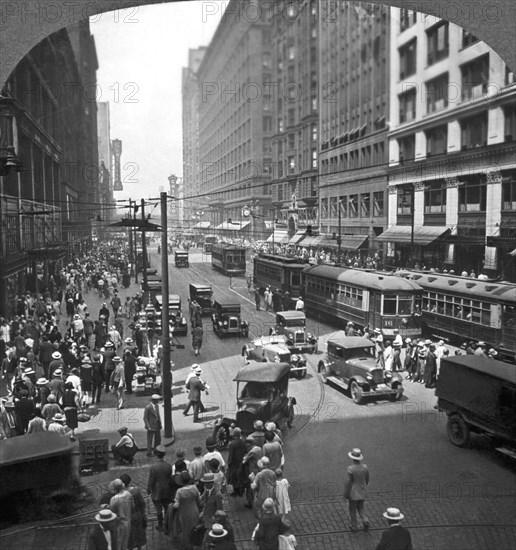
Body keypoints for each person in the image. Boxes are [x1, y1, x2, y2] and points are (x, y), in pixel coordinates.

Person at [164, 470, 201, 550]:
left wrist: (171, 507)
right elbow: (198, 500)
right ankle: (194, 543)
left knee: (185, 530)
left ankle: (188, 546)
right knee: (194, 528)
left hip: (183, 513)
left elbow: (176, 505)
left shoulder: (180, 491)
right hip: (194, 511)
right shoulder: (194, 488)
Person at [147, 445, 172, 532]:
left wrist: (149, 489)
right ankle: (167, 524)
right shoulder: (168, 466)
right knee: (166, 508)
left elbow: (151, 480)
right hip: (167, 491)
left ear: (156, 454)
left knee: (158, 509)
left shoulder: (154, 467)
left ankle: (160, 525)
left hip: (157, 491)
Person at [344, 448, 370, 533]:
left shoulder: (350, 469)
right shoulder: (365, 467)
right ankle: (365, 520)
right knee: (361, 507)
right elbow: (367, 479)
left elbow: (349, 482)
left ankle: (354, 526)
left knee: (352, 509)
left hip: (353, 492)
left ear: (352, 458)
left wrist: (346, 493)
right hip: (362, 491)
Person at [119, 474, 147, 550]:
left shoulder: (119, 494)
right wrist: (142, 513)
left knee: (130, 536)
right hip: (138, 516)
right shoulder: (135, 491)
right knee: (139, 534)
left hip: (126, 517)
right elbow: (142, 503)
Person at [109, 479, 133, 550]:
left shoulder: (114, 499)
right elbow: (133, 506)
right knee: (125, 543)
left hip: (120, 524)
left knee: (119, 544)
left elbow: (112, 513)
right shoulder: (128, 494)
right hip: (128, 521)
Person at [227, 427, 247, 497]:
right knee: (240, 476)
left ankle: (236, 491)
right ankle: (240, 491)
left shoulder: (232, 443)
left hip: (234, 463)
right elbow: (245, 451)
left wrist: (229, 463)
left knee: (234, 477)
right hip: (241, 462)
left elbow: (231, 454)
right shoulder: (243, 442)